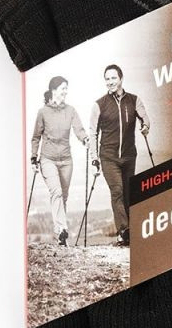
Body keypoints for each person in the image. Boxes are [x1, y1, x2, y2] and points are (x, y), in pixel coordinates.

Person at [89, 64, 151, 246]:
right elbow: (93, 133)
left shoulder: (134, 100)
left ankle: (132, 231)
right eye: (107, 79)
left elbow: (145, 118)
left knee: (128, 193)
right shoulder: (99, 105)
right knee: (117, 191)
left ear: (121, 79)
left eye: (113, 78)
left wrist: (145, 127)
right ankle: (123, 231)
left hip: (129, 156)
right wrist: (94, 158)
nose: (110, 82)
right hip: (108, 157)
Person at [30, 76, 88, 246]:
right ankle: (62, 229)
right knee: (56, 192)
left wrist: (84, 139)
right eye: (63, 88)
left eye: (66, 88)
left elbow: (79, 129)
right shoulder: (43, 112)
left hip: (66, 160)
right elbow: (36, 137)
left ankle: (61, 238)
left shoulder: (70, 110)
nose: (65, 92)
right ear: (54, 90)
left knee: (64, 196)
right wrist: (34, 157)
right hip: (47, 159)